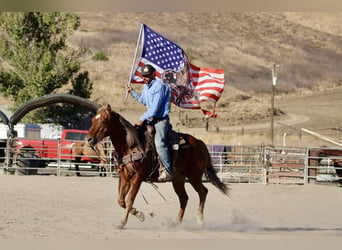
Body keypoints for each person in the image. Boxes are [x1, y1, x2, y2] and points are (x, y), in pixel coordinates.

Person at [126, 64, 172, 182]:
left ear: (153, 74)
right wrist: (133, 92)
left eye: (147, 75)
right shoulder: (146, 87)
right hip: (150, 119)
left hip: (160, 120)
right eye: (143, 76)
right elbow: (145, 101)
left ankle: (167, 170)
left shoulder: (159, 86)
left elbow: (155, 109)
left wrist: (141, 119)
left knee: (159, 143)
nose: (144, 78)